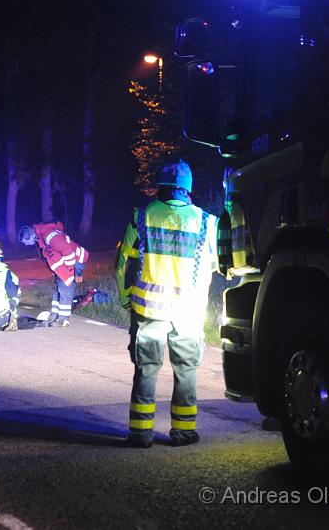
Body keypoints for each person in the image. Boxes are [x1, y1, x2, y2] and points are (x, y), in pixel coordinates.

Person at [115, 159, 218, 448]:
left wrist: (126, 300)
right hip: (189, 311)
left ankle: (140, 433)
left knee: (146, 369)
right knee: (186, 369)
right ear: (188, 189)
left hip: (149, 310)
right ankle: (183, 432)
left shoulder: (142, 216)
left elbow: (124, 263)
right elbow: (215, 264)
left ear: (160, 185)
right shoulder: (207, 222)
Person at [17, 221, 88, 328]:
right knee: (58, 291)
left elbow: (68, 252)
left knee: (65, 291)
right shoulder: (41, 238)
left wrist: (69, 271)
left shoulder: (49, 236)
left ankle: (63, 320)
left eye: (25, 242)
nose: (26, 245)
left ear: (29, 236)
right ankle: (55, 315)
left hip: (73, 264)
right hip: (64, 267)